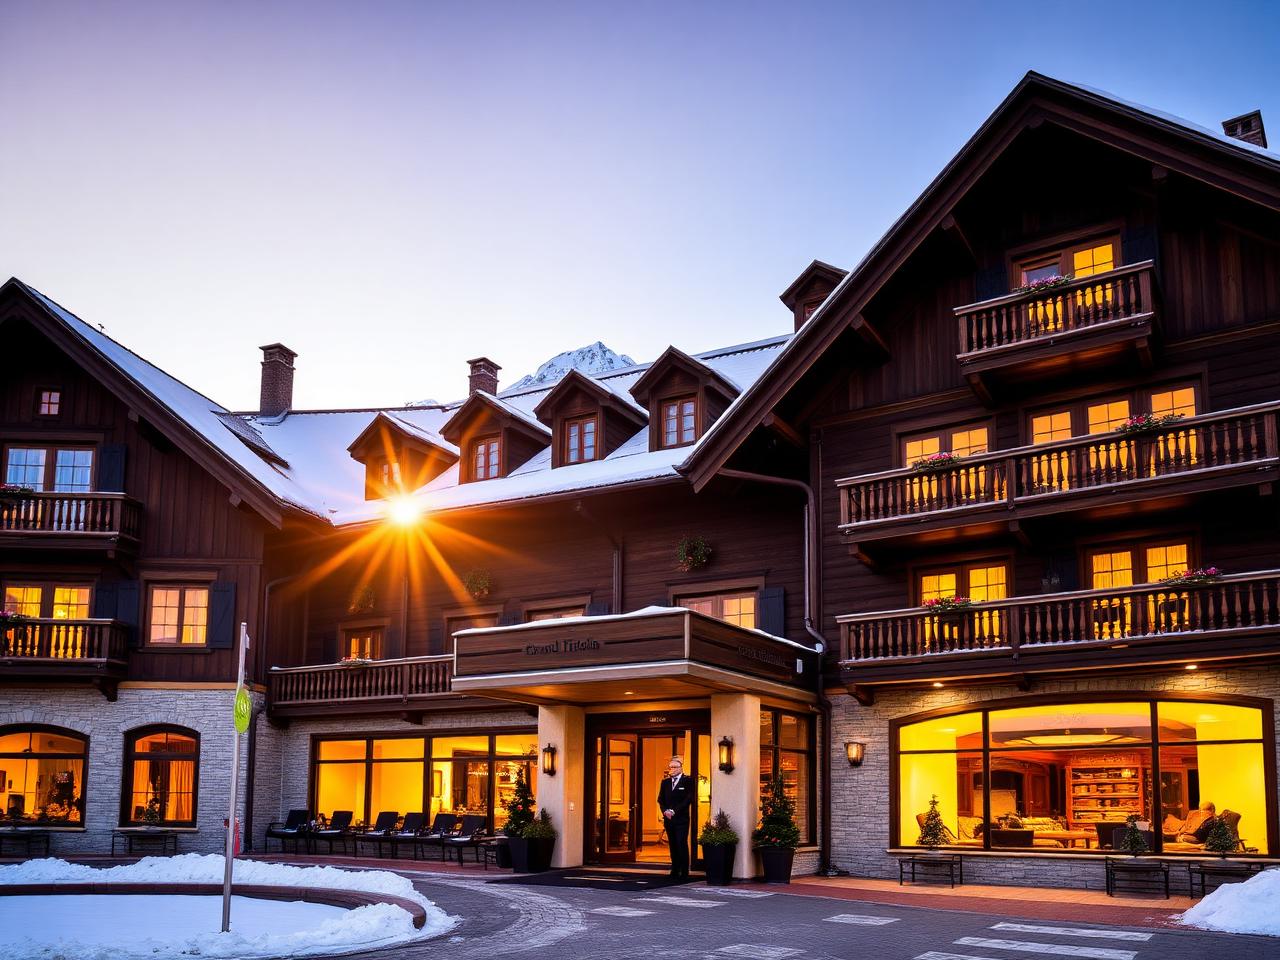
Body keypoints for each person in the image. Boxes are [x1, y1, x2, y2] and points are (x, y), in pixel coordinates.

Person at [657, 756, 694, 879]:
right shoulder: (665, 782)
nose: (672, 769)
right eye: (670, 767)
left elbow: (688, 799)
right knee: (672, 844)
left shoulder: (688, 781)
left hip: (681, 819)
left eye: (674, 767)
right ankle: (675, 868)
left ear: (681, 768)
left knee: (681, 843)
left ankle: (684, 871)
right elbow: (660, 799)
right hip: (669, 819)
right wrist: (665, 811)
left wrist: (674, 811)